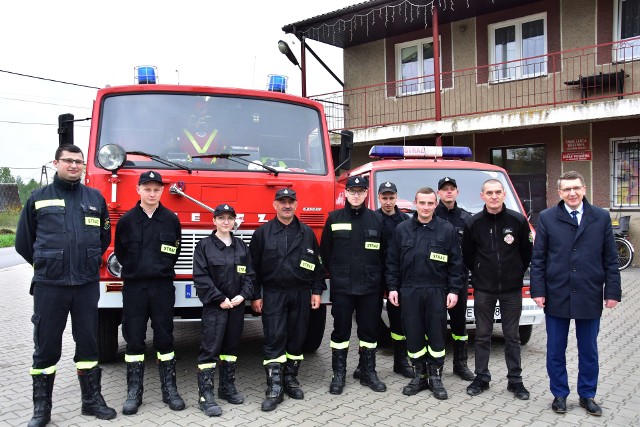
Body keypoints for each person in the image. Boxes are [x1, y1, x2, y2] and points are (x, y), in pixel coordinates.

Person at [15, 144, 117, 426]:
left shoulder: (95, 198)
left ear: (84, 166)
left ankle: (91, 401)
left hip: (85, 284)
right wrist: (48, 263)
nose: (74, 166)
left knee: (88, 344)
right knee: (46, 348)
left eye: (79, 162)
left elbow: (103, 238)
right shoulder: (38, 197)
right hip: (50, 286)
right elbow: (24, 242)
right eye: (68, 161)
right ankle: (41, 409)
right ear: (56, 162)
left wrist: (89, 259)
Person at [530, 171, 621, 416]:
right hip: (556, 293)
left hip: (589, 293)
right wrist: (538, 290)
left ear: (583, 189)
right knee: (556, 349)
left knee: (589, 349)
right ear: (559, 193)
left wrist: (612, 292)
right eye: (567, 189)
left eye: (576, 188)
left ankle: (587, 395)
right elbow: (538, 258)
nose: (572, 193)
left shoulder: (600, 217)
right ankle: (559, 394)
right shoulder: (548, 217)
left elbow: (610, 259)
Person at [114, 170, 185, 415]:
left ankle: (170, 390)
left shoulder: (171, 220)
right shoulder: (126, 221)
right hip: (135, 288)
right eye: (147, 189)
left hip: (162, 287)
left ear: (162, 191)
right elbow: (122, 254)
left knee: (165, 337)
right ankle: (134, 393)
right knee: (134, 338)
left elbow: (175, 251)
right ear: (138, 190)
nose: (152, 193)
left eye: (156, 189)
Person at [250, 188, 325, 411]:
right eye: (282, 201)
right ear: (274, 205)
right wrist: (255, 295)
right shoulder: (263, 233)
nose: (286, 205)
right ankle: (274, 386)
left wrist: (316, 291)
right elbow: (252, 268)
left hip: (300, 293)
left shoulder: (306, 232)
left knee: (296, 339)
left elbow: (318, 267)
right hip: (273, 294)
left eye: (290, 202)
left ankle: (290, 379)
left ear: (296, 205)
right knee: (274, 338)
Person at [387, 187, 465, 400]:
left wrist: (454, 291)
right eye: (422, 203)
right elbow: (392, 262)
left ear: (435, 204)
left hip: (436, 290)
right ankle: (419, 375)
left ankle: (436, 376)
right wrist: (392, 288)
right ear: (415, 204)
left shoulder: (446, 230)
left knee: (437, 334)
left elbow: (456, 264)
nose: (426, 207)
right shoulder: (402, 229)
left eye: (430, 203)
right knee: (413, 333)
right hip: (409, 290)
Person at [461, 179, 532, 400]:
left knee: (512, 336)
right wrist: (482, 273)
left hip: (511, 289)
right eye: (489, 192)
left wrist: (516, 272)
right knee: (482, 335)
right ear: (482, 196)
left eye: (497, 192)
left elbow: (527, 252)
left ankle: (515, 381)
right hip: (484, 289)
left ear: (503, 195)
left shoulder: (518, 220)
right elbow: (468, 255)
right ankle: (481, 377)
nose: (494, 196)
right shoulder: (473, 223)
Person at [321, 176, 387, 395]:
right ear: (346, 193)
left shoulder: (377, 220)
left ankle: (368, 372)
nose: (356, 195)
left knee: (369, 332)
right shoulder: (334, 218)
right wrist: (338, 274)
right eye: (352, 191)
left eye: (360, 191)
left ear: (366, 193)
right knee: (340, 332)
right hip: (343, 288)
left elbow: (385, 255)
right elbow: (326, 253)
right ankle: (338, 374)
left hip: (370, 288)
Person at [192, 203, 255, 417]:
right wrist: (220, 298)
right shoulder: (204, 246)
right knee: (210, 349)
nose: (226, 222)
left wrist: (242, 296)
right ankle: (205, 396)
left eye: (230, 218)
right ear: (214, 221)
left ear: (234, 221)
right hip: (215, 307)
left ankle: (226, 388)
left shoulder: (241, 246)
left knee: (231, 349)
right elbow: (201, 277)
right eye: (221, 218)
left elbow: (249, 275)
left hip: (235, 307)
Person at [353, 181, 412, 380]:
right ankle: (364, 365)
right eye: (384, 198)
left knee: (399, 321)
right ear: (378, 198)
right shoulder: (371, 218)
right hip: (375, 276)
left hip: (397, 277)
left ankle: (401, 362)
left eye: (391, 198)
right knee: (368, 320)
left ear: (397, 198)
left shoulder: (405, 220)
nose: (388, 202)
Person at [434, 177, 474, 381]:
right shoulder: (431, 216)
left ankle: (461, 365)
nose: (448, 192)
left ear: (457, 192)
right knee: (436, 325)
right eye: (444, 189)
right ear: (438, 193)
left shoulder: (467, 219)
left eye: (452, 189)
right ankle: (436, 367)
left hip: (458, 281)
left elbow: (473, 250)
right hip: (436, 281)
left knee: (459, 325)